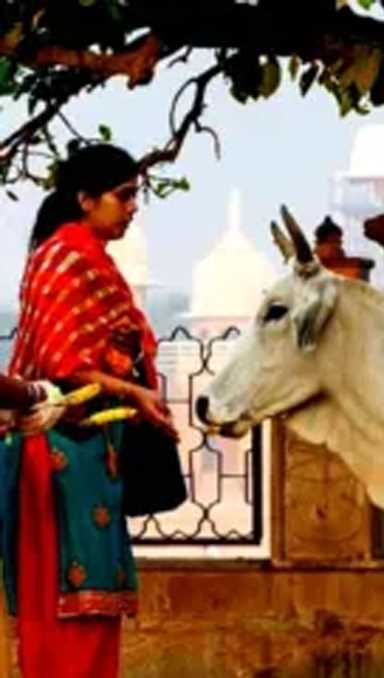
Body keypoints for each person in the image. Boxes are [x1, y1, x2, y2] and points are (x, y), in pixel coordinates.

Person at [2, 143, 177, 678]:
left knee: (97, 604)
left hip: (96, 452)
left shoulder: (95, 260)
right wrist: (133, 393)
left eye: (135, 197)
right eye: (123, 196)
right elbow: (62, 363)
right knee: (65, 602)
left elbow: (106, 355)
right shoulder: (66, 256)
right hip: (55, 446)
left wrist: (127, 365)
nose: (132, 208)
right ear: (85, 199)